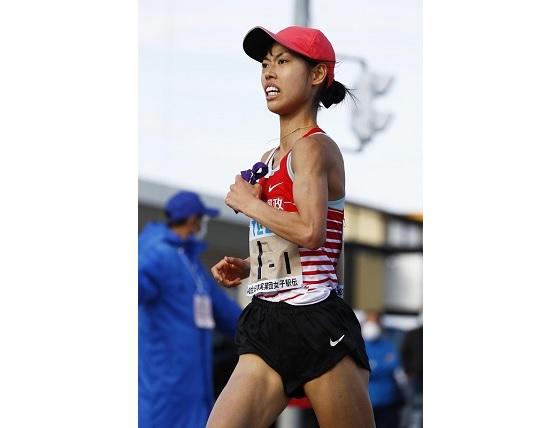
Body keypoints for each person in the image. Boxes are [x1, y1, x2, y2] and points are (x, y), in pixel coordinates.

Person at [207, 26, 376, 428]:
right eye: (265, 64)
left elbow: (312, 232)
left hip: (316, 321)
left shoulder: (315, 148)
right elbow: (291, 243)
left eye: (283, 62)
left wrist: (249, 204)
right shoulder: (269, 157)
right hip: (266, 319)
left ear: (317, 74)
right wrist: (251, 265)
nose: (269, 73)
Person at [138, 191, 242, 428]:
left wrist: (263, 331)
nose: (202, 225)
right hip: (163, 386)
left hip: (192, 385)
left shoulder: (190, 263)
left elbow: (226, 312)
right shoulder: (156, 252)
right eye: (202, 219)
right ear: (193, 220)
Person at [361, 311, 404, 428]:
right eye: (369, 321)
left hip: (388, 402)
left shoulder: (387, 344)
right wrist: (381, 364)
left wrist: (373, 366)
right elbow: (361, 370)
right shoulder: (359, 345)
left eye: (374, 321)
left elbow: (394, 364)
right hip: (366, 402)